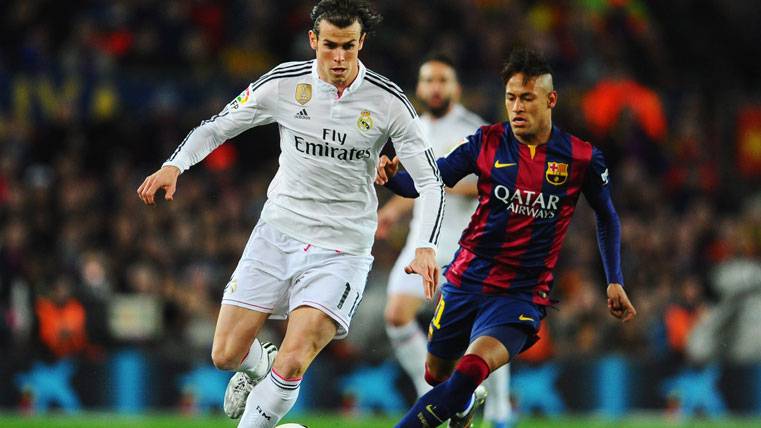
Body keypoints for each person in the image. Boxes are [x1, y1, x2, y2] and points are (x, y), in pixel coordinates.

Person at [137, 1, 445, 426]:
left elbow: (431, 181)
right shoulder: (284, 83)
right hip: (277, 231)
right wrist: (175, 165)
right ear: (313, 40)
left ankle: (268, 393)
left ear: (362, 43)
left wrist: (426, 245)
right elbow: (219, 125)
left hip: (342, 248)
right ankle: (260, 369)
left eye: (349, 46)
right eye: (330, 45)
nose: (339, 58)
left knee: (294, 358)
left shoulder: (388, 102)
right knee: (225, 354)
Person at [376, 48, 637, 428]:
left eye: (527, 98)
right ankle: (465, 403)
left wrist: (614, 279)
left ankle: (483, 406)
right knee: (436, 375)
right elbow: (432, 180)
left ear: (550, 100)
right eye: (511, 98)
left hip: (521, 292)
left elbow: (607, 216)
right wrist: (392, 178)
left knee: (470, 370)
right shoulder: (486, 142)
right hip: (467, 278)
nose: (517, 107)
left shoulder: (580, 157)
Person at [377, 54, 512, 428]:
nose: (435, 87)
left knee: (483, 331)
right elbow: (417, 186)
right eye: (429, 80)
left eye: (442, 80)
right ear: (419, 88)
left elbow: (498, 183)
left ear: (456, 87)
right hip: (424, 242)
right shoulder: (412, 129)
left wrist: (443, 181)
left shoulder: (475, 129)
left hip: (468, 244)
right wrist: (392, 211)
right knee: (396, 316)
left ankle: (501, 411)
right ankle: (436, 395)